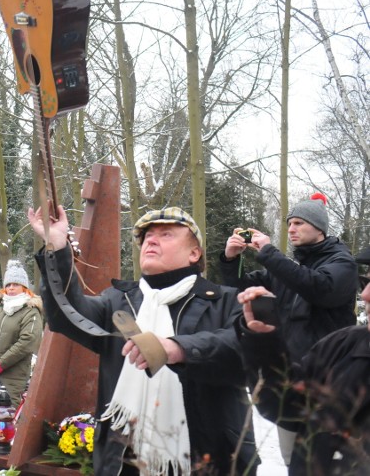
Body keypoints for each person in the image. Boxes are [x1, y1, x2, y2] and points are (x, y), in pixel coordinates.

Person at [29, 204, 257, 476]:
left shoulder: (226, 300)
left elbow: (244, 352)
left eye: (166, 234)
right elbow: (65, 314)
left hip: (207, 460)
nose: (151, 239)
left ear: (194, 253)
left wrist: (177, 348)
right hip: (122, 461)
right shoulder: (117, 301)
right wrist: (57, 248)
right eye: (147, 236)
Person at [220, 193, 359, 465]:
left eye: (298, 223)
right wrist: (230, 260)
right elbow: (242, 288)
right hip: (292, 380)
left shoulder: (342, 263)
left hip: (329, 385)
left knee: (324, 465)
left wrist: (269, 254)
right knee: (291, 460)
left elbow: (318, 288)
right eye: (289, 224)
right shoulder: (289, 269)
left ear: (319, 228)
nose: (292, 229)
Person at [237, 282, 370, 475]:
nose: (365, 294)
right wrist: (265, 342)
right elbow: (288, 406)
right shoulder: (343, 344)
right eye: (367, 281)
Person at [0, 260, 42, 406]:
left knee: (6, 418)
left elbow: (27, 341)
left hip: (13, 375)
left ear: (24, 287)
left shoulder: (31, 311)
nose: (11, 288)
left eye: (16, 284)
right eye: (8, 284)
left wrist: (0, 364)